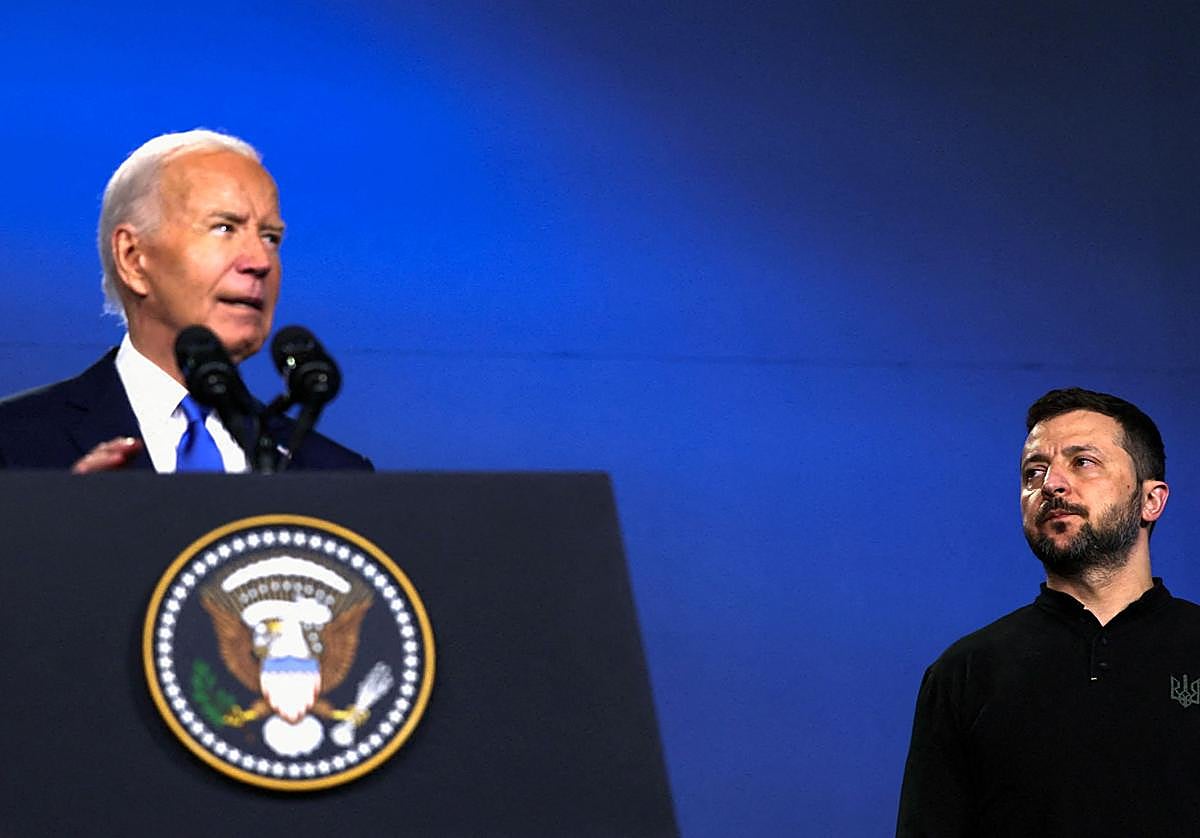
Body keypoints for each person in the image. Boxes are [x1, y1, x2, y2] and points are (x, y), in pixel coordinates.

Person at [896, 387, 1200, 837]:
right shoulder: (964, 672)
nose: (1051, 484)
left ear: (1150, 500)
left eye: (1083, 462)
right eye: (1034, 472)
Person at [0, 130, 370, 472]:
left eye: (271, 237)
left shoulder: (334, 474)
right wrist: (53, 525)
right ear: (133, 258)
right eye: (224, 228)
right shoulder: (15, 446)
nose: (259, 262)